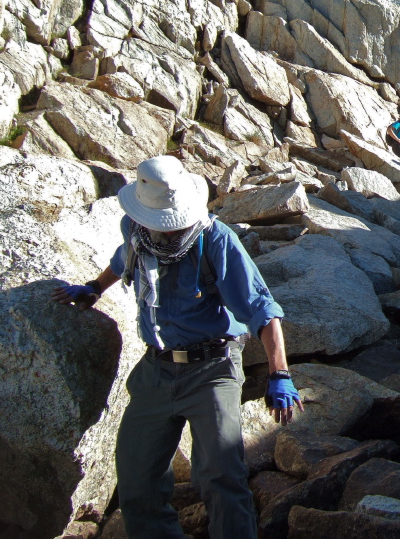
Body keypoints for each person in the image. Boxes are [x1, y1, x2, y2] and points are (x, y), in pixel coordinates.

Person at [51, 155, 302, 539]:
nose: (168, 230)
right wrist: (94, 288)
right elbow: (123, 260)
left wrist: (279, 373)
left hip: (212, 368)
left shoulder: (215, 240)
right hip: (156, 370)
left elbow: (262, 310)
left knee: (221, 475)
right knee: (137, 480)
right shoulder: (135, 229)